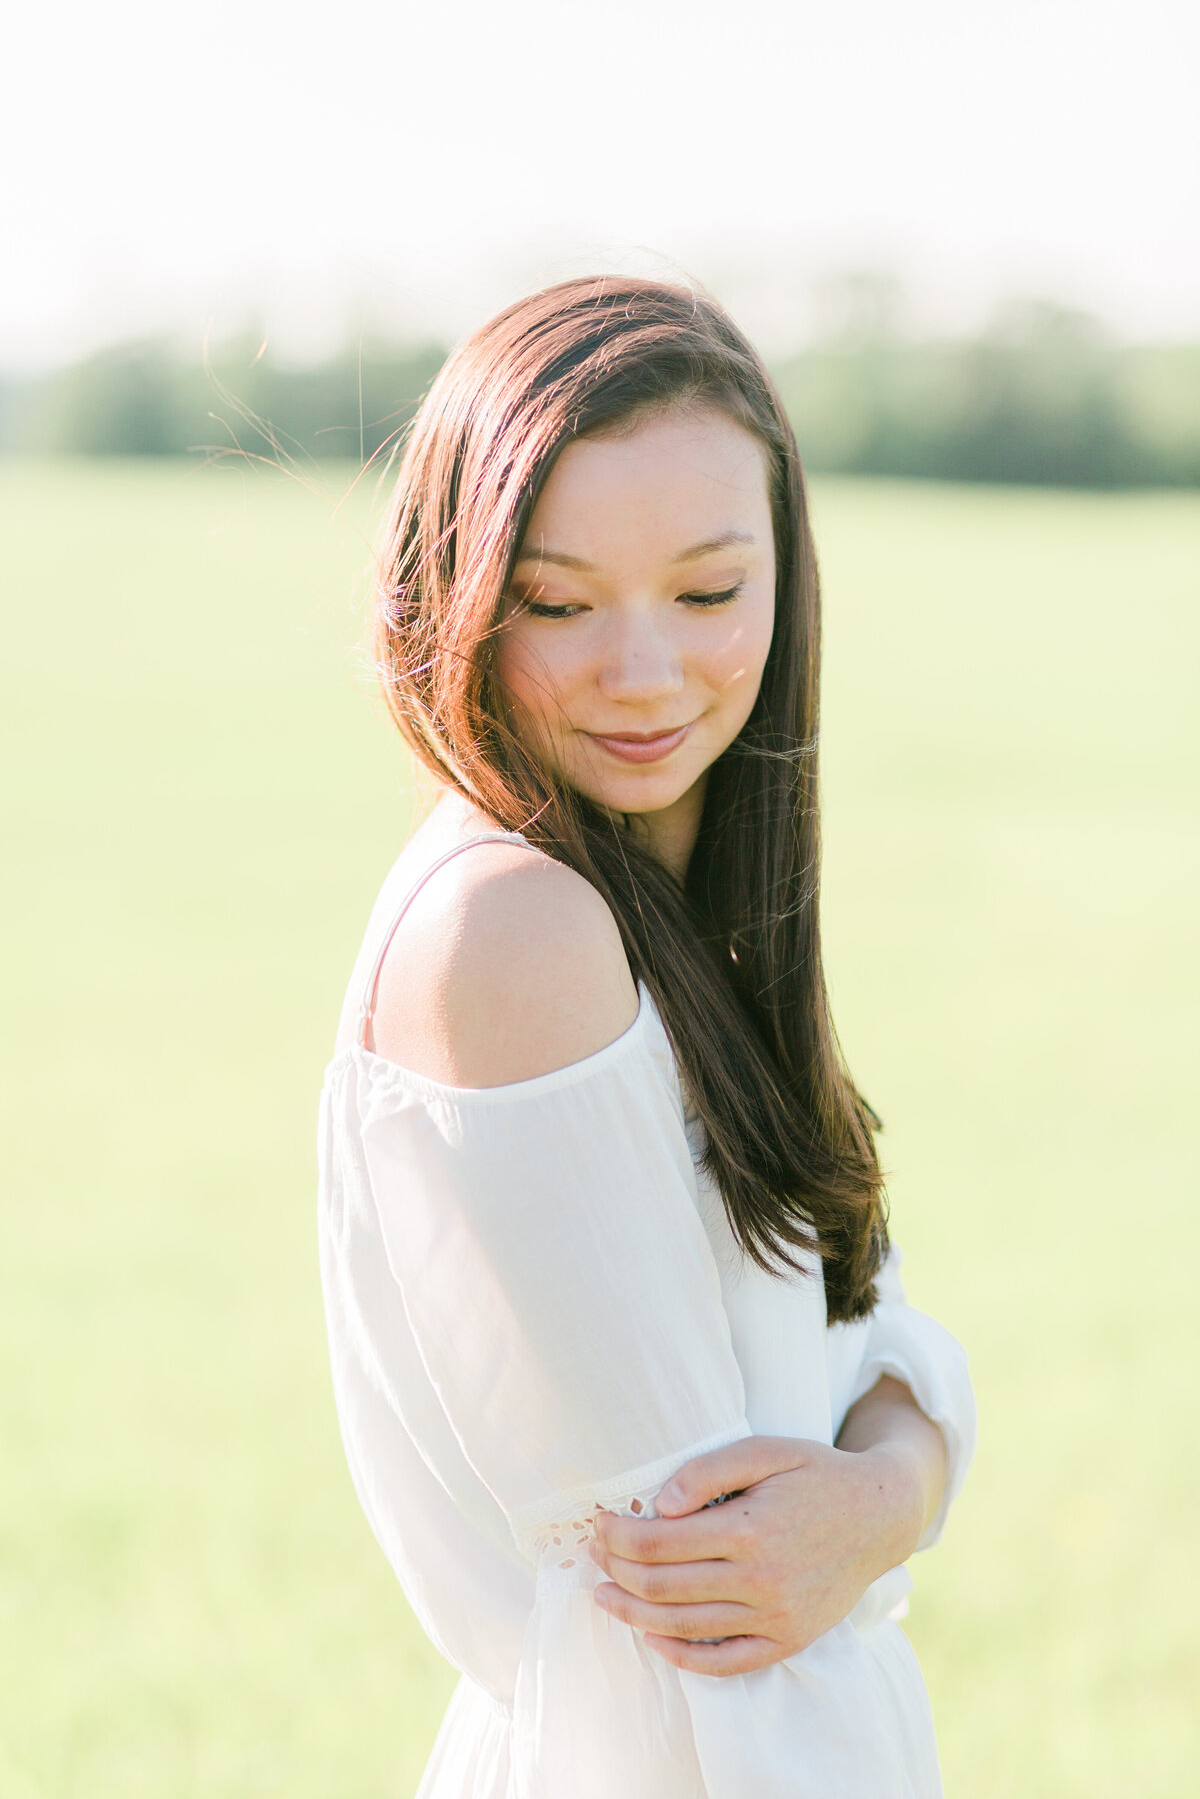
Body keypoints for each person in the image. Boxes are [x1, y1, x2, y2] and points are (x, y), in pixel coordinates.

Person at [317, 275, 976, 1798]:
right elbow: (721, 1597)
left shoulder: (676, 914)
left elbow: (873, 1356)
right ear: (456, 590)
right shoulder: (520, 933)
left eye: (705, 591)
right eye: (556, 601)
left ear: (782, 582)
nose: (643, 671)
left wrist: (883, 1492)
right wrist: (886, 1484)